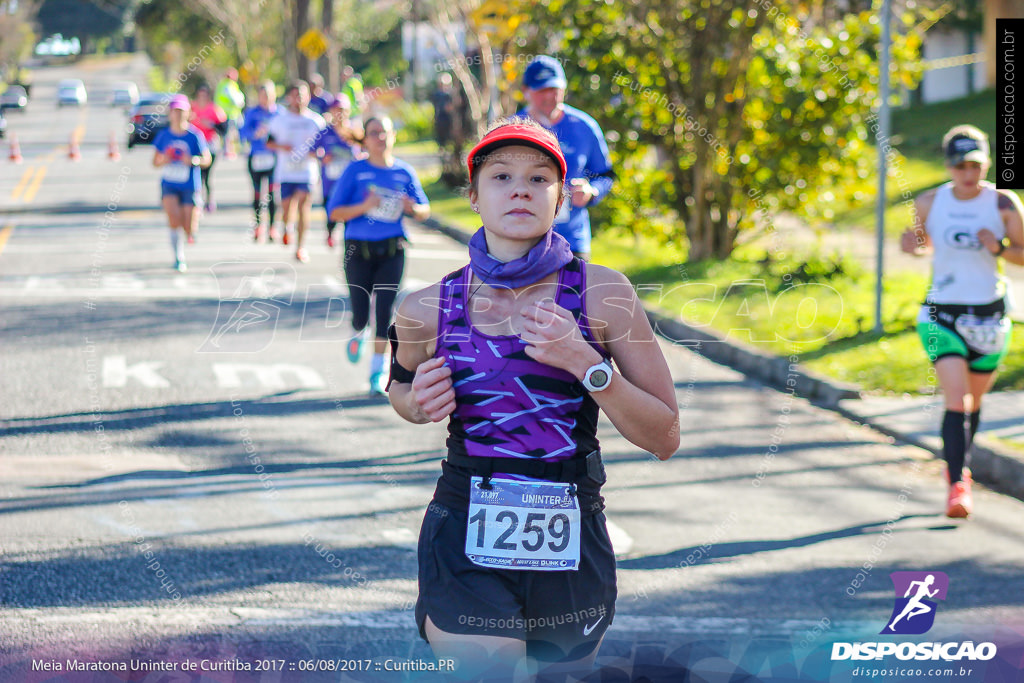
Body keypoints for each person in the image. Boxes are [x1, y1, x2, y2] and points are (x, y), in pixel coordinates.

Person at [387, 119, 679, 679]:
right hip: (465, 517)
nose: (520, 188)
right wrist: (416, 403)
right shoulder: (426, 307)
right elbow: (399, 387)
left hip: (571, 529)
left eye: (538, 177)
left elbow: (665, 437)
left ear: (562, 197)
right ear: (472, 196)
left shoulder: (604, 295)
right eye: (501, 176)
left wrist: (586, 364)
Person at [901, 124, 1024, 519]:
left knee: (974, 401)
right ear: (948, 166)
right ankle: (958, 485)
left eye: (974, 164)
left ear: (986, 163)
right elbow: (922, 246)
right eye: (959, 166)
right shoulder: (928, 202)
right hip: (940, 316)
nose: (967, 174)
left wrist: (999, 247)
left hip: (989, 318)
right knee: (957, 399)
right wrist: (913, 247)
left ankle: (961, 468)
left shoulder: (1003, 204)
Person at [327, 116, 429, 395]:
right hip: (357, 251)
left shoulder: (404, 172)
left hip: (392, 251)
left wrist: (412, 207)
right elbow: (334, 213)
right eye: (374, 133)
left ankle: (376, 372)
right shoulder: (355, 171)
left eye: (384, 132)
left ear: (392, 136)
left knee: (384, 312)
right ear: (366, 138)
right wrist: (365, 205)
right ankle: (357, 331)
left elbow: (424, 209)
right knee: (361, 314)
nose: (380, 138)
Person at [520, 55, 614, 260]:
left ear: (564, 89)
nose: (549, 97)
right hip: (522, 241)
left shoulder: (584, 126)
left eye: (554, 90)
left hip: (573, 241)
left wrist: (592, 191)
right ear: (526, 91)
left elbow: (606, 175)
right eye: (541, 90)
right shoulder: (512, 129)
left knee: (573, 293)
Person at [266, 81, 326, 263]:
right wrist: (281, 146)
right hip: (286, 171)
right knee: (286, 209)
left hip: (307, 171)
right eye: (295, 95)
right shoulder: (279, 120)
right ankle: (287, 227)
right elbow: (268, 143)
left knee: (304, 206)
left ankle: (300, 247)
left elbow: (324, 146)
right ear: (289, 98)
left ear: (308, 96)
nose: (299, 99)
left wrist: (318, 153)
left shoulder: (316, 120)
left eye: (302, 95)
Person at [152, 95, 211, 272]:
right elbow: (154, 162)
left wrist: (192, 160)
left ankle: (196, 212)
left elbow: (207, 159)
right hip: (169, 183)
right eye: (174, 111)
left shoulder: (195, 135)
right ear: (170, 113)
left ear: (188, 113)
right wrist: (165, 160)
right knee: (173, 218)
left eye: (181, 111)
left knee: (188, 228)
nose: (177, 115)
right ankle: (179, 257)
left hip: (190, 185)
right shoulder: (164, 135)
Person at [314, 94, 361, 248]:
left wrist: (360, 157)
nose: (340, 113)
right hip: (330, 181)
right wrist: (322, 158)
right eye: (336, 109)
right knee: (330, 210)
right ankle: (330, 232)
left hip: (350, 181)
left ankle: (349, 238)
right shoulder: (325, 132)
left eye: (343, 109)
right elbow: (311, 150)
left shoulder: (355, 130)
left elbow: (366, 149)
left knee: (349, 209)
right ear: (331, 111)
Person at [240, 80, 280, 242]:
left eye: (269, 95)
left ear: (274, 95)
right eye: (263, 95)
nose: (266, 98)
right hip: (256, 156)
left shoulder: (279, 113)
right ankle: (258, 226)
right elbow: (243, 133)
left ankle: (272, 227)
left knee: (272, 193)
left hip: (274, 157)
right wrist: (254, 134)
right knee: (257, 193)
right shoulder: (252, 113)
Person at [189, 84, 227, 212]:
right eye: (200, 95)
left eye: (204, 95)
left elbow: (223, 129)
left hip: (210, 145)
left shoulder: (214, 109)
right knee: (197, 173)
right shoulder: (192, 108)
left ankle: (209, 200)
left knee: (207, 175)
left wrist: (210, 124)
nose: (202, 97)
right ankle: (197, 199)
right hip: (195, 146)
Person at [214, 68, 246, 158]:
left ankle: (235, 150)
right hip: (229, 114)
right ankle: (229, 151)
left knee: (232, 133)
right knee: (229, 134)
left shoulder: (223, 84)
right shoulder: (228, 85)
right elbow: (234, 99)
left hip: (230, 113)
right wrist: (240, 103)